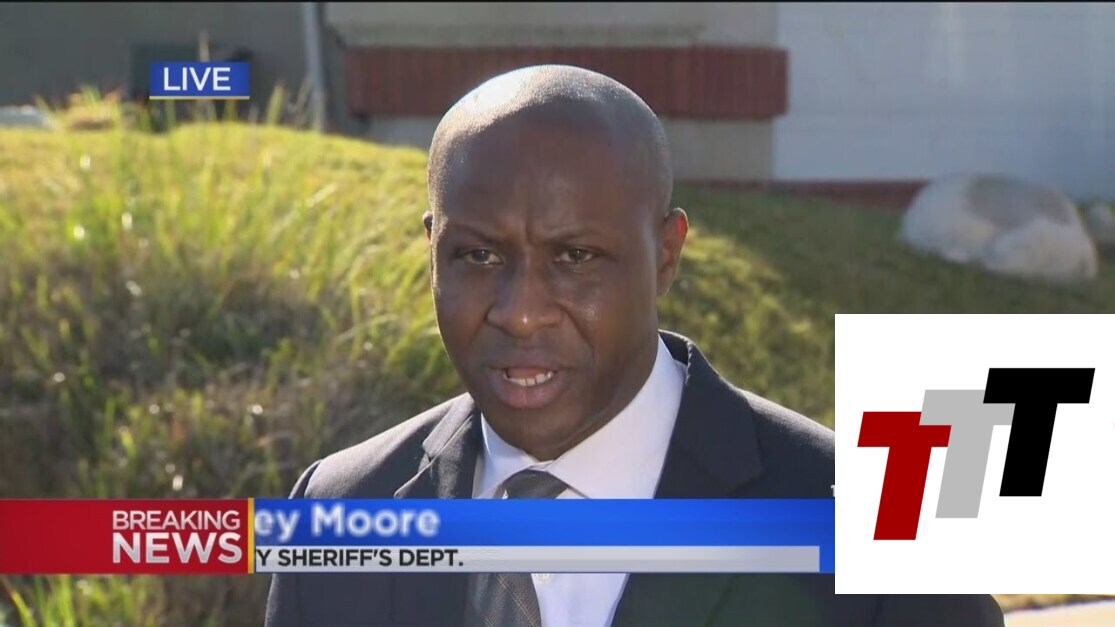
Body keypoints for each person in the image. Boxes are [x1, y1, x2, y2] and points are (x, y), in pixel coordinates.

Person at [265, 65, 1004, 627]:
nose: (521, 314)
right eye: (478, 256)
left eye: (576, 257)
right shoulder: (337, 513)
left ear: (666, 255)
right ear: (433, 249)